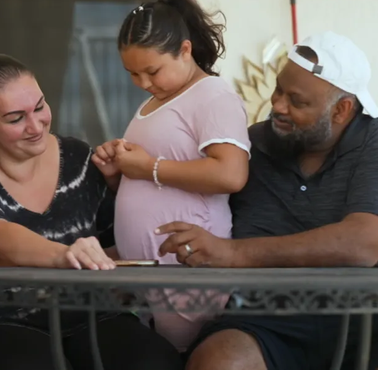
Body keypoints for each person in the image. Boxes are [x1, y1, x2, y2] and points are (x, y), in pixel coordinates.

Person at [0, 54, 184, 370]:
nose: (35, 126)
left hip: (86, 313)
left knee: (154, 361)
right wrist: (66, 255)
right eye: (16, 118)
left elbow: (114, 244)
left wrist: (119, 185)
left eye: (40, 107)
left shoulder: (78, 158)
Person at [155, 31, 378, 370]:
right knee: (218, 362)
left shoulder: (373, 143)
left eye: (297, 101)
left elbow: (365, 242)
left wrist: (232, 254)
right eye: (278, 89)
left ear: (342, 110)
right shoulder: (250, 145)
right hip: (263, 319)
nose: (277, 105)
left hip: (362, 320)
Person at [91, 0, 251, 350]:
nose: (143, 83)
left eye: (152, 71)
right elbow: (157, 185)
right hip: (150, 275)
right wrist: (118, 172)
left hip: (186, 265)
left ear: (185, 50)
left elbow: (231, 174)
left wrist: (148, 168)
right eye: (132, 73)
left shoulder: (213, 95)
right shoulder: (156, 101)